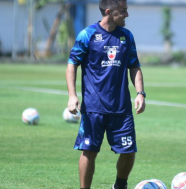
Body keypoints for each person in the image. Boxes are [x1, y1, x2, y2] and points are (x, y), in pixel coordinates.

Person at [66, 0, 146, 188]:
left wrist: (140, 93)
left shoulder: (127, 36)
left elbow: (134, 66)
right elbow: (72, 64)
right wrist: (72, 95)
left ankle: (120, 185)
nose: (127, 15)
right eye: (123, 11)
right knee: (89, 151)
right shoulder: (88, 34)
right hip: (94, 107)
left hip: (121, 107)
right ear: (109, 12)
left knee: (128, 150)